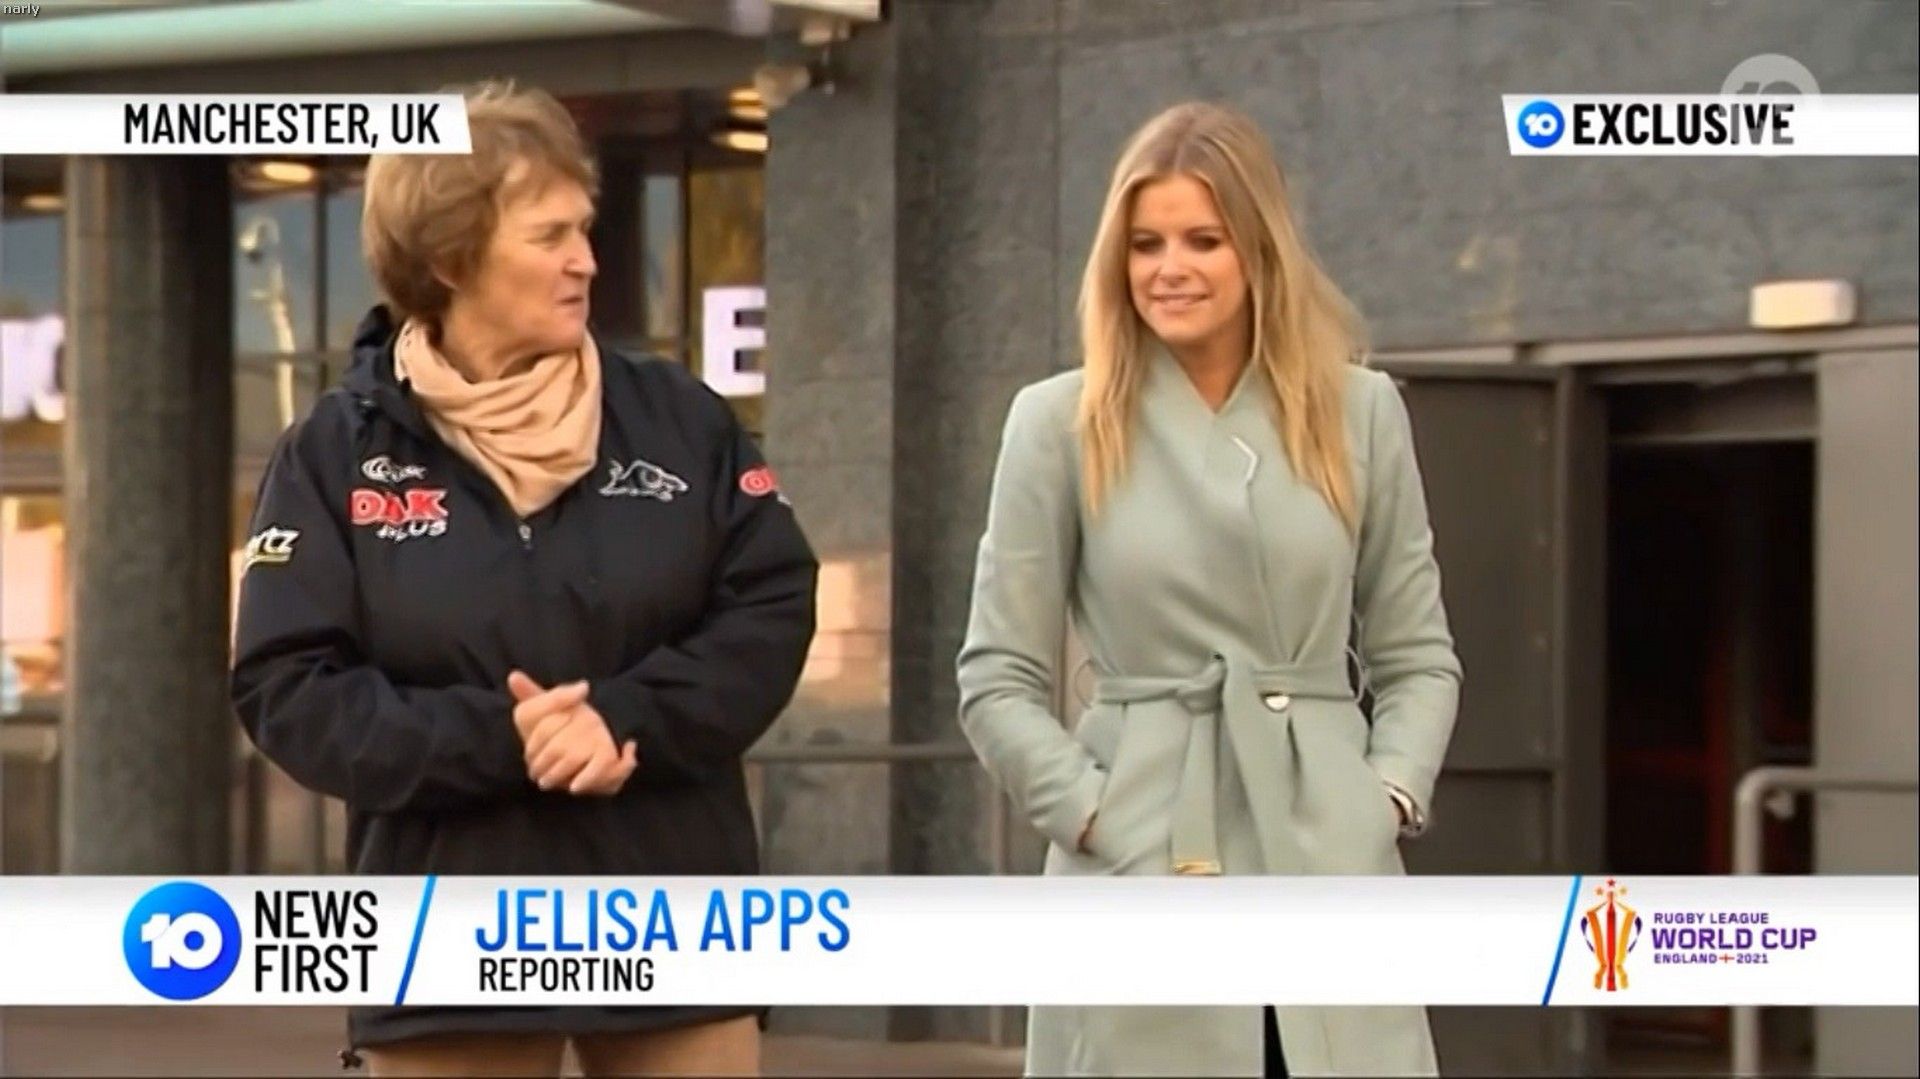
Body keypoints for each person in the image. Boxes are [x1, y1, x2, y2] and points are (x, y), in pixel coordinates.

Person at [230, 80, 818, 1078]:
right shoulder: (334, 451)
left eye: (584, 228)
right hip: (444, 938)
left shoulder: (680, 418)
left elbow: (770, 604)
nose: (586, 258)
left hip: (673, 918)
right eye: (550, 236)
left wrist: (624, 718)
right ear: (451, 257)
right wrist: (504, 741)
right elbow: (288, 686)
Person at [956, 101, 1462, 1077]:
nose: (1169, 268)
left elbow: (1418, 655)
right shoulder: (1058, 421)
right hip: (1142, 852)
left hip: (1325, 849)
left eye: (1202, 239)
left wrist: (1383, 796)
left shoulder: (1360, 412)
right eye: (1145, 244)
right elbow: (996, 676)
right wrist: (1094, 812)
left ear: (1259, 249)